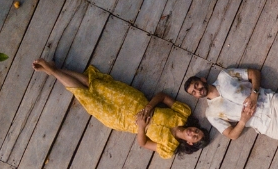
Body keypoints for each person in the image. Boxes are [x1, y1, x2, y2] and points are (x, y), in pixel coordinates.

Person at [32, 60, 207, 158]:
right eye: (197, 130)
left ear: (190, 143)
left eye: (195, 136)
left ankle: (53, 71)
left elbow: (143, 143)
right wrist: (149, 106)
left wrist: (140, 126)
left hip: (124, 121)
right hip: (133, 101)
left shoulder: (168, 148)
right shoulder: (183, 114)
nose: (193, 132)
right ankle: (55, 70)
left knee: (86, 96)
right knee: (93, 83)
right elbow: (162, 96)